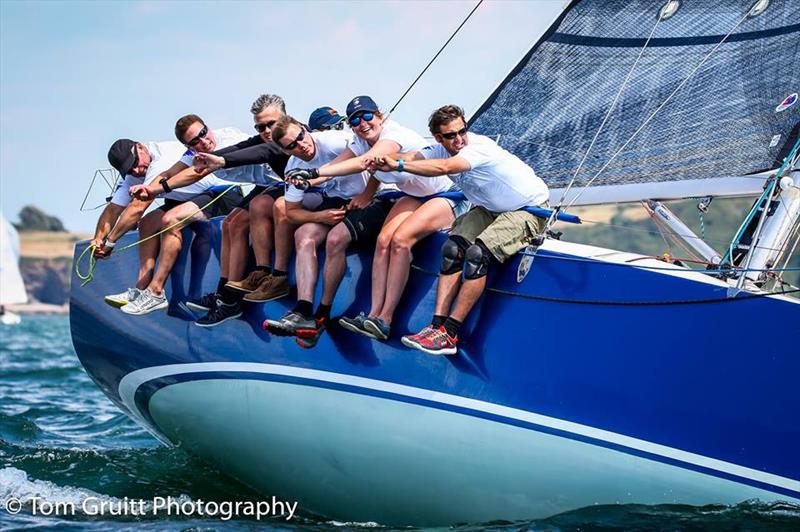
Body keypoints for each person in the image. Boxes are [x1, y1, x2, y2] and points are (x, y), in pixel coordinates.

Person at [370, 104, 550, 355]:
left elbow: (445, 169)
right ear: (438, 138)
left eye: (462, 131)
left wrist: (398, 166)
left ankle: (450, 333)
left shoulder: (477, 147)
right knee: (453, 248)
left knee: (477, 255)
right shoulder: (437, 149)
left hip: (528, 210)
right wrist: (386, 161)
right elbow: (413, 158)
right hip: (491, 209)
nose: (459, 139)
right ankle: (436, 327)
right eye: (451, 135)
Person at [287, 95, 464, 340]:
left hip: (447, 194)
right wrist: (304, 179)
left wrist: (314, 171)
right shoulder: (360, 142)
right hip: (413, 194)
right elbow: (339, 167)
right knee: (383, 242)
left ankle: (385, 319)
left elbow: (365, 163)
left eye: (368, 116)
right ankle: (372, 315)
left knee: (400, 241)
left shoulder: (393, 135)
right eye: (355, 120)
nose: (363, 123)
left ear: (380, 116)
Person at [139, 95, 291, 326]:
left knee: (258, 208)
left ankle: (265, 276)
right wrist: (156, 188)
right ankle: (226, 297)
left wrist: (220, 161)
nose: (267, 130)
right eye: (261, 127)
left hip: (303, 190)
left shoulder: (290, 137)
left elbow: (260, 152)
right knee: (232, 223)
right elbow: (194, 168)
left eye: (272, 124)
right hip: (273, 185)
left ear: (285, 118)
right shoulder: (254, 140)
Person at [94, 118, 242, 311]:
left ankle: (156, 292)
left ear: (141, 147)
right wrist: (98, 240)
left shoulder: (160, 160)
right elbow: (113, 209)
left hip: (220, 193)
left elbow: (138, 206)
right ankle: (141, 289)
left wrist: (111, 242)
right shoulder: (135, 173)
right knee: (147, 223)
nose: (137, 170)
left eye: (136, 163)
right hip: (187, 199)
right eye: (130, 169)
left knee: (170, 220)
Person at [261, 115, 369, 347]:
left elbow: (372, 159)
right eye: (292, 145)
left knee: (334, 239)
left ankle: (323, 314)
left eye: (300, 136)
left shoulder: (334, 141)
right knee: (303, 234)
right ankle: (303, 310)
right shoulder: (294, 166)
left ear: (303, 129)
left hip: (369, 197)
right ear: (286, 151)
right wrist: (319, 217)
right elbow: (291, 212)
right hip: (337, 201)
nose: (301, 145)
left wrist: (368, 193)